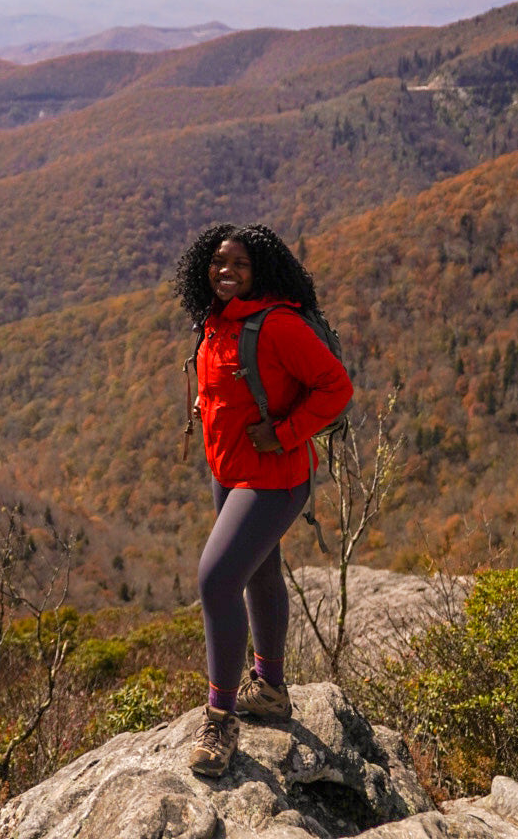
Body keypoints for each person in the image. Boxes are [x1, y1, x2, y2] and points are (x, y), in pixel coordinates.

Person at [175, 222, 354, 778]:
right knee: (259, 573)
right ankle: (271, 689)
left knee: (216, 581)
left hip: (274, 479)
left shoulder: (277, 325)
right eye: (218, 262)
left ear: (262, 272)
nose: (226, 271)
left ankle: (220, 719)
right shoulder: (216, 321)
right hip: (229, 473)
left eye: (240, 264)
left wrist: (285, 433)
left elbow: (337, 388)